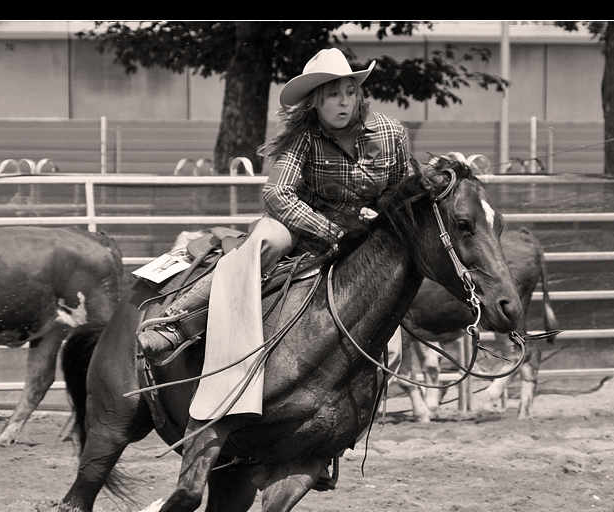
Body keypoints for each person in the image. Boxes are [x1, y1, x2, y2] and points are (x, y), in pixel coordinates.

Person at [137, 47, 412, 421]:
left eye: (350, 92)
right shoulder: (304, 138)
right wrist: (328, 228)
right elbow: (277, 192)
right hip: (302, 230)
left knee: (390, 331)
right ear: (315, 102)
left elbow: (400, 195)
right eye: (333, 95)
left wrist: (378, 214)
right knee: (265, 239)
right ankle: (177, 320)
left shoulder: (390, 133)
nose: (344, 102)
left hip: (363, 242)